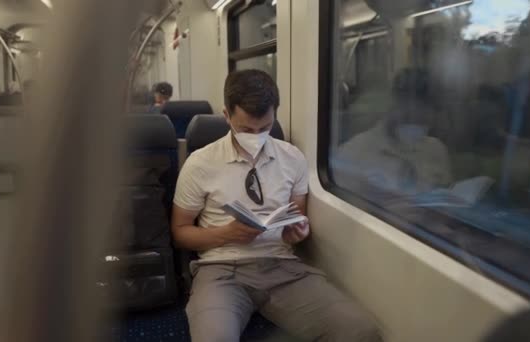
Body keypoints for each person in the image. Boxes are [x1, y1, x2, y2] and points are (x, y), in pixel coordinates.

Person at [172, 69, 382, 342]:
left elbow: (295, 219)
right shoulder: (200, 164)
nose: (256, 136)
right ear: (226, 116)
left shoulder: (292, 158)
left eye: (265, 128)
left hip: (282, 268)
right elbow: (180, 233)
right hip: (222, 270)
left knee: (359, 331)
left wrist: (298, 232)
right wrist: (227, 233)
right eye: (247, 129)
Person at [332, 68, 452, 200]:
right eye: (409, 118)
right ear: (394, 104)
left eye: (423, 122)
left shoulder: (436, 151)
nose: (415, 126)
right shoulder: (352, 154)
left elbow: (446, 199)